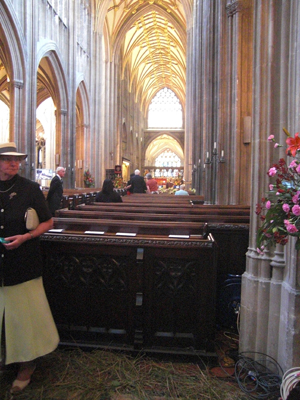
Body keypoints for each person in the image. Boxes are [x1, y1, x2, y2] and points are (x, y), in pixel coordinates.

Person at [0, 142, 59, 394]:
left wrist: (26, 237)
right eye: (7, 159)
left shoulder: (30, 189)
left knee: (24, 318)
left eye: (17, 159)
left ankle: (27, 364)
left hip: (22, 263)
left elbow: (48, 221)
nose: (14, 163)